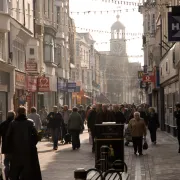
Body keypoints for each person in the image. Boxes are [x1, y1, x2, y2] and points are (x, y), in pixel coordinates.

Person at [6, 106, 42, 180]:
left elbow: (8, 136)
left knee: (16, 169)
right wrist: (32, 144)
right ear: (25, 112)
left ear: (17, 113)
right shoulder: (30, 122)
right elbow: (36, 136)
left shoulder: (13, 123)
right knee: (29, 169)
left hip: (16, 150)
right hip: (28, 150)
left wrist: (10, 148)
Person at [0, 111, 15, 180]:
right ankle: (12, 176)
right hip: (15, 146)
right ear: (14, 116)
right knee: (13, 162)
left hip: (6, 146)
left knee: (6, 161)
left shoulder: (3, 124)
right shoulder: (15, 124)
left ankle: (7, 174)